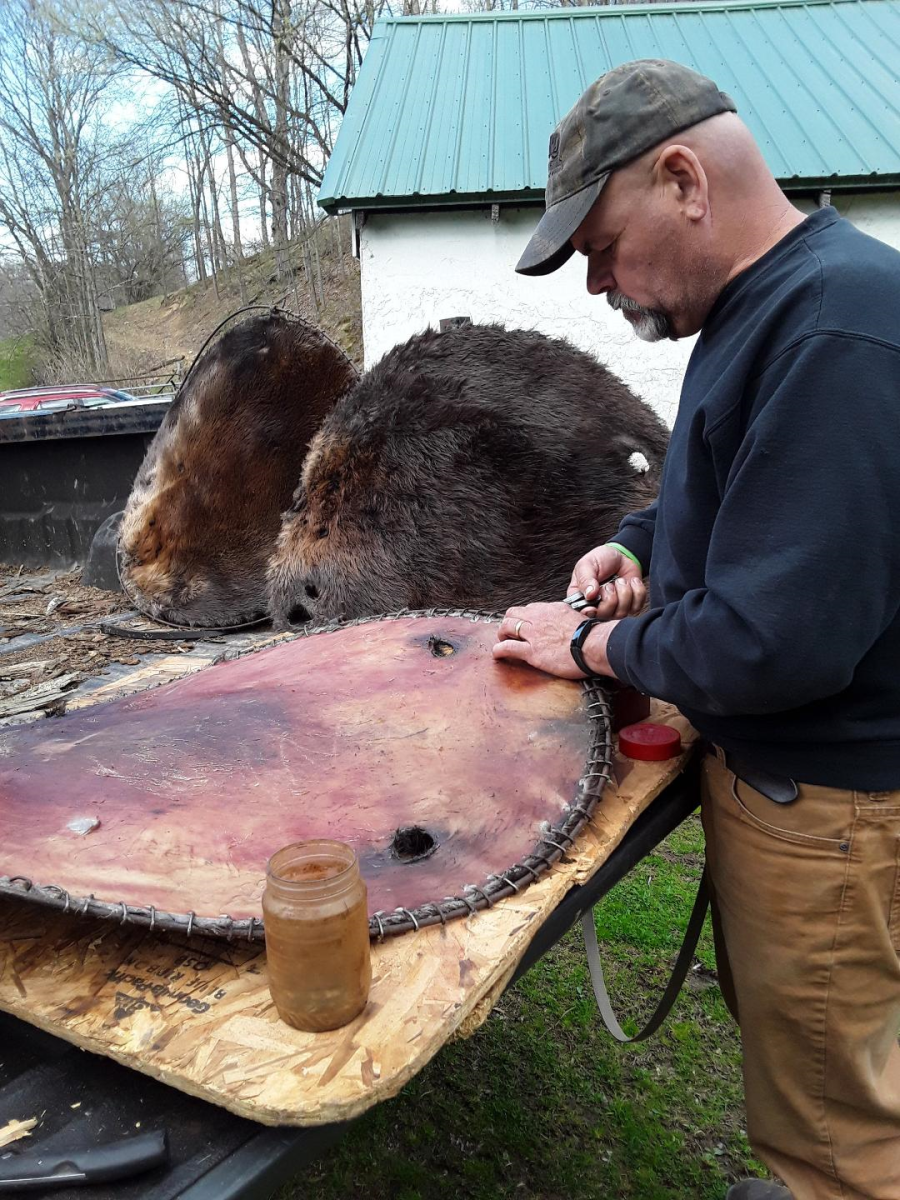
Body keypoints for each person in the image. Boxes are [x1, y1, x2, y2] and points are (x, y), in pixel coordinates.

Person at [493, 59, 900, 1200]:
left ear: (683, 179)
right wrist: (636, 548)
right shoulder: (768, 304)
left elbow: (775, 641)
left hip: (830, 808)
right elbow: (725, 491)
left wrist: (586, 647)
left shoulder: (835, 333)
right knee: (829, 1070)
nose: (595, 283)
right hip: (804, 798)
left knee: (841, 1131)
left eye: (601, 247)